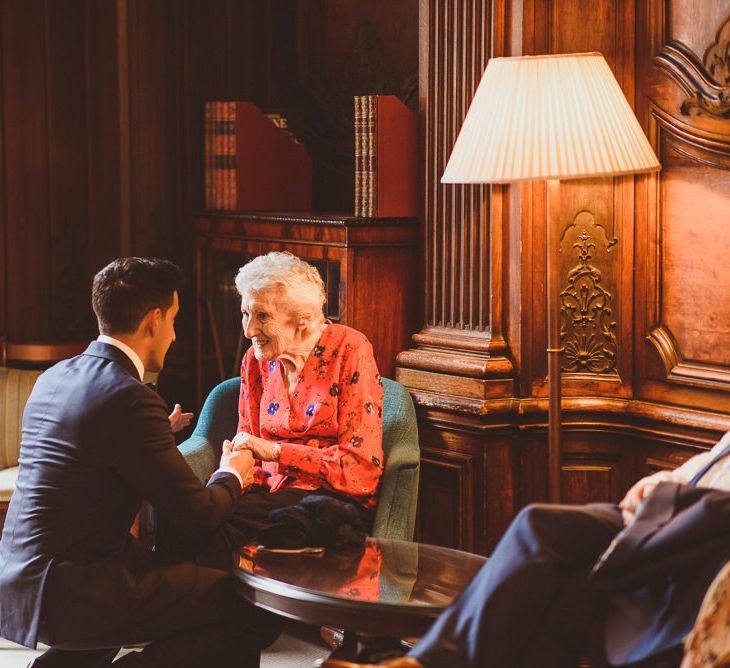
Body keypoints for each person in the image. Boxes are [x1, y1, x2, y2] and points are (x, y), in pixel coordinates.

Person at [0, 257, 280, 668]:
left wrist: (152, 439)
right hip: (74, 589)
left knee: (181, 581)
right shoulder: (130, 398)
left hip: (19, 581)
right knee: (247, 603)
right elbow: (199, 515)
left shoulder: (56, 376)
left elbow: (85, 459)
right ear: (154, 320)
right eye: (174, 320)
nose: (173, 335)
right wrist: (231, 473)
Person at [323, 431, 730, 668]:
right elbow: (709, 462)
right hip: (667, 515)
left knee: (542, 528)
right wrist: (663, 479)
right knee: (553, 587)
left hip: (700, 533)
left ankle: (427, 663)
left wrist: (671, 496)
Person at [209, 251, 384, 552]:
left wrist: (277, 452)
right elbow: (249, 445)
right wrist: (228, 475)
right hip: (271, 493)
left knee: (220, 529)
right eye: (244, 314)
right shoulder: (255, 360)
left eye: (262, 316)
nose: (248, 330)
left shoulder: (350, 349)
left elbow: (360, 470)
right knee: (197, 516)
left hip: (330, 499)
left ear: (302, 317)